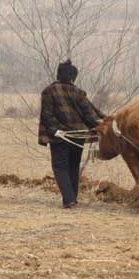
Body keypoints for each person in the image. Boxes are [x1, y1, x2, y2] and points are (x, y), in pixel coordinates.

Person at [38, 60, 105, 208]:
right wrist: (105, 122)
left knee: (60, 167)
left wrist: (55, 131)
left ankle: (69, 200)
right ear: (73, 77)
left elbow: (47, 116)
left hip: (60, 137)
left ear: (58, 75)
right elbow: (90, 115)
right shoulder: (78, 93)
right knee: (73, 166)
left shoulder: (49, 91)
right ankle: (72, 198)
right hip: (77, 137)